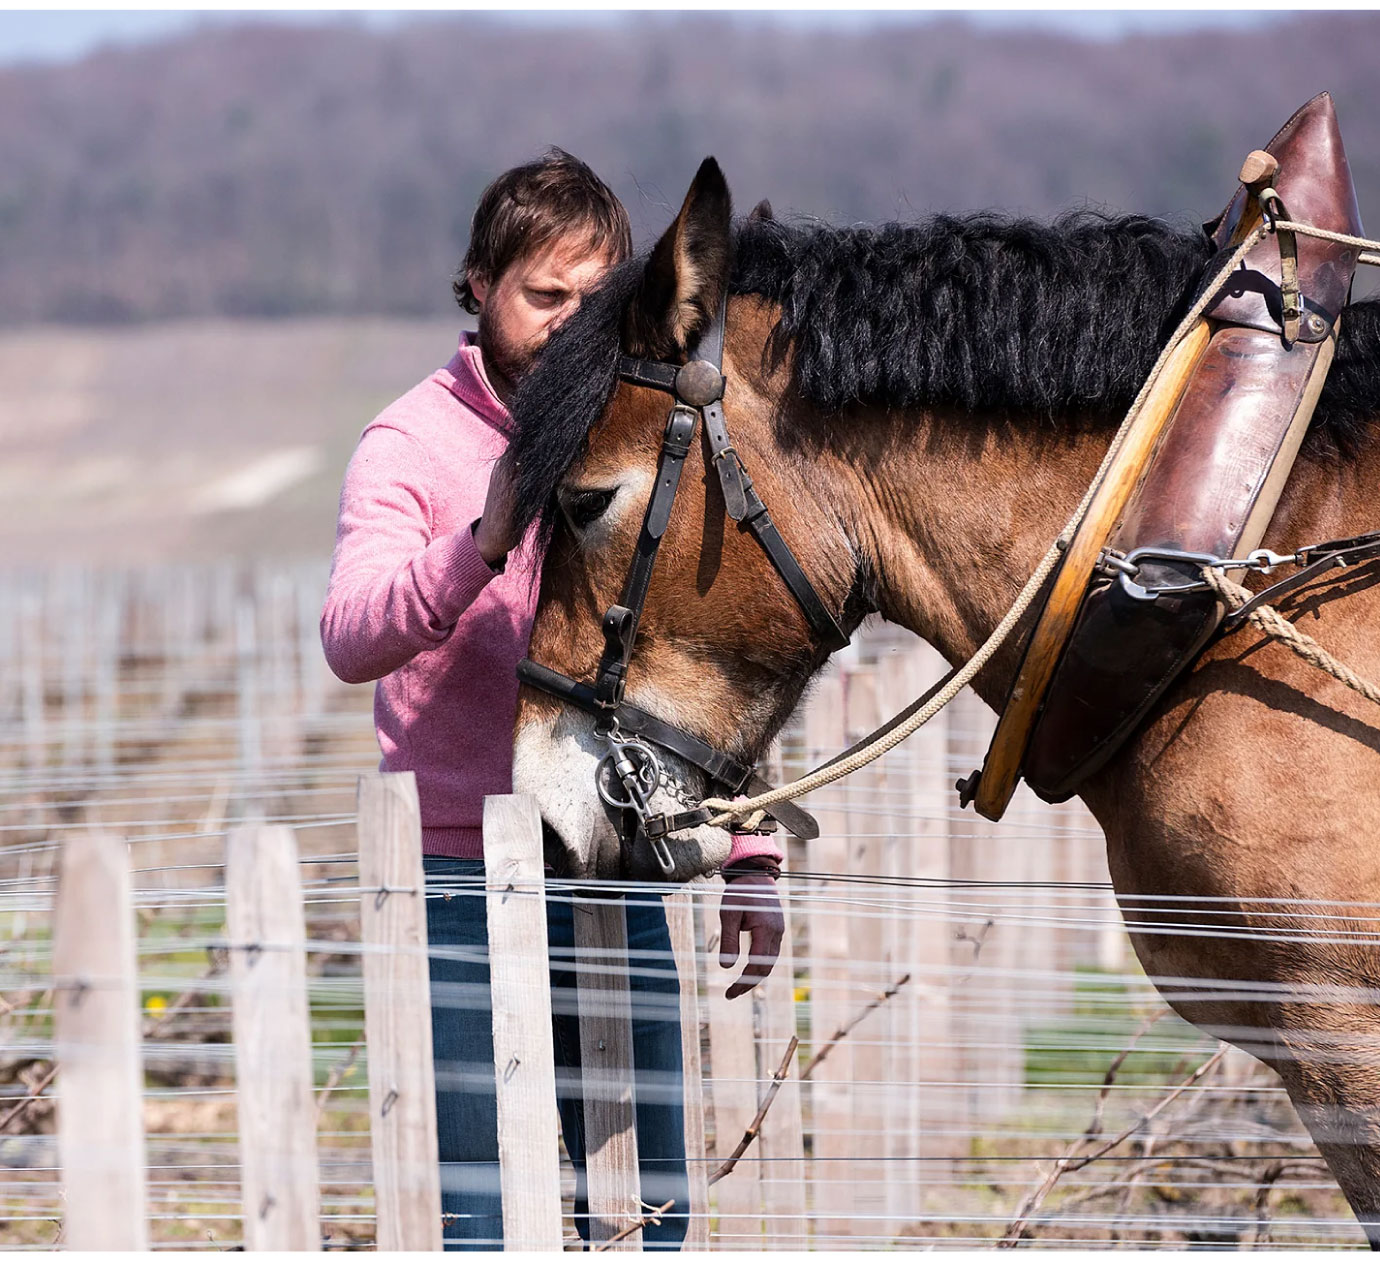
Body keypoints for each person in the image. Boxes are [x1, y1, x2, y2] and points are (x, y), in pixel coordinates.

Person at [319, 148, 786, 1250]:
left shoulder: (640, 430)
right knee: (483, 1212)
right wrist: (480, 542)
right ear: (478, 285)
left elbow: (695, 650)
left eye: (593, 299)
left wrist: (751, 855)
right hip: (452, 881)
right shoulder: (407, 443)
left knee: (648, 1207)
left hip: (612, 868)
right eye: (543, 295)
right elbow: (350, 635)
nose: (568, 323)